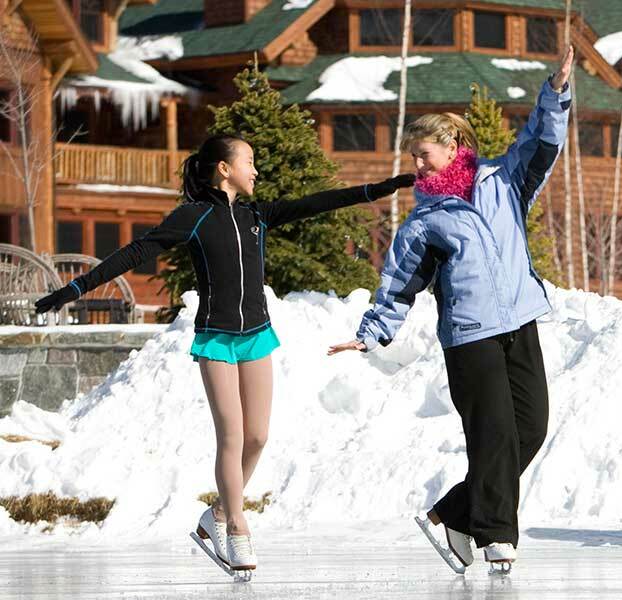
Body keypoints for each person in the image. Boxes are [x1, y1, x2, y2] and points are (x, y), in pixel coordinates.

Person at [35, 135, 414, 570]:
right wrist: (76, 288)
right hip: (215, 337)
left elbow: (317, 202)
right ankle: (236, 527)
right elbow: (140, 249)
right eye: (249, 161)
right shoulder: (193, 218)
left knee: (257, 436)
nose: (255, 170)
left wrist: (379, 189)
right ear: (223, 168)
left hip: (256, 334)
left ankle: (215, 513)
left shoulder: (257, 214)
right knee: (232, 435)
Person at [327, 46, 575, 572]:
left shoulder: (504, 181)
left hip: (519, 322)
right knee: (494, 435)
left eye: (423, 154)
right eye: (412, 156)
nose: (415, 165)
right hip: (470, 337)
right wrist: (372, 332)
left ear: (454, 146)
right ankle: (495, 536)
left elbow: (542, 140)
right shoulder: (424, 222)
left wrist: (555, 93)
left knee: (530, 428)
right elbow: (398, 283)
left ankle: (452, 517)